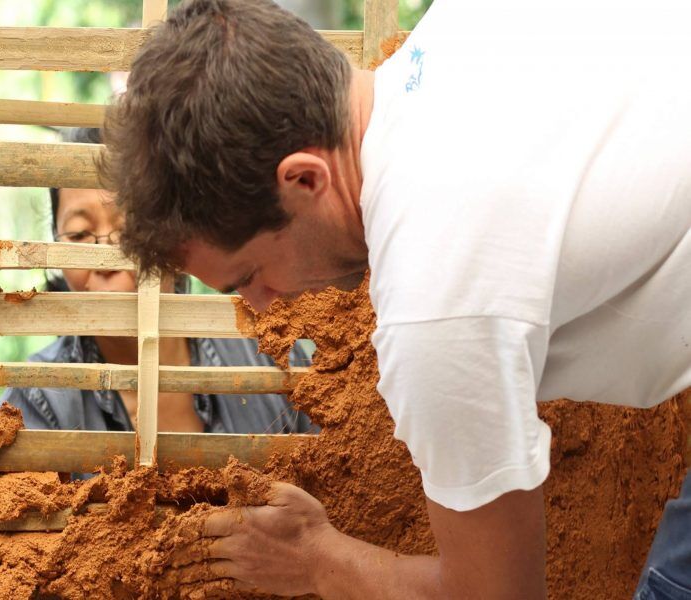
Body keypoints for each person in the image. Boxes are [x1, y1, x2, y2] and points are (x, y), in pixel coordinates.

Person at [100, 0, 691, 598]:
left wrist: (315, 560)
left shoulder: (433, 295)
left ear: (304, 179)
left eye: (250, 274)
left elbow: (498, 595)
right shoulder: (462, 26)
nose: (264, 304)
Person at [1, 128, 314, 442]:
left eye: (128, 229)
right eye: (79, 234)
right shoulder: (37, 400)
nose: (106, 259)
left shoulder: (268, 357)